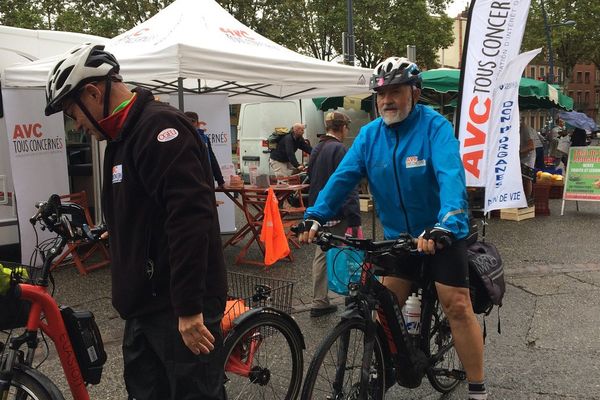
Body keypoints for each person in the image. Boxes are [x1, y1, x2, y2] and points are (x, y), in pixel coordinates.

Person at [297, 57, 488, 400]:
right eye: (381, 93)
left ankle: (478, 389)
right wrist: (316, 215)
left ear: (414, 92)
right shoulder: (370, 136)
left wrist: (447, 223)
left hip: (442, 234)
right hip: (400, 240)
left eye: (395, 91)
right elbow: (343, 179)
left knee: (456, 303)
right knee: (380, 304)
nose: (386, 100)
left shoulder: (435, 128)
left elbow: (450, 176)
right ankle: (386, 366)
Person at [45, 44, 227, 400]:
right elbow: (144, 208)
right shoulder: (121, 137)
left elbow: (190, 220)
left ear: (94, 93)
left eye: (73, 113)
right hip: (144, 308)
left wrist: (189, 308)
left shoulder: (160, 128)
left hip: (179, 309)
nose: (77, 125)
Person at [307, 111, 362, 317]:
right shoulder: (340, 149)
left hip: (318, 211)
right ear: (343, 127)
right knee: (349, 252)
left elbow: (311, 178)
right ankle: (352, 298)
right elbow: (348, 185)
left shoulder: (317, 148)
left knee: (321, 254)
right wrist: (355, 216)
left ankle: (319, 300)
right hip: (338, 210)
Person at [184, 111, 226, 187]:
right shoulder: (180, 138)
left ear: (197, 123)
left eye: (192, 121)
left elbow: (212, 158)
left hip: (206, 179)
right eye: (187, 121)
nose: (190, 123)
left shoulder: (204, 138)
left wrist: (220, 180)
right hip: (188, 181)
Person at [519, 119, 535, 199]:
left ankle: (527, 199)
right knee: (521, 178)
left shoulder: (525, 129)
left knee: (527, 178)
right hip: (521, 156)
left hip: (527, 158)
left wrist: (518, 152)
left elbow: (531, 146)